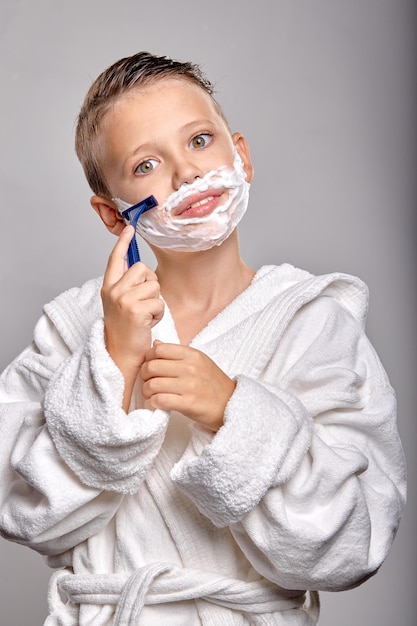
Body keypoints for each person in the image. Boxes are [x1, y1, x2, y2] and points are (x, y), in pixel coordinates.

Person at [0, 51, 406, 625]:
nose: (187, 173)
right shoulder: (74, 326)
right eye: (146, 165)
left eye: (199, 141)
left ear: (239, 155)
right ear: (115, 216)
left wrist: (235, 416)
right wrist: (112, 365)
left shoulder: (313, 322)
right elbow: (23, 511)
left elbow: (350, 546)